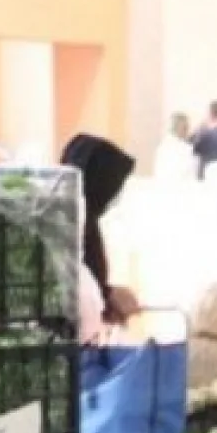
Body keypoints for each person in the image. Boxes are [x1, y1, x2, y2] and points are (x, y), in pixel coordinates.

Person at [59, 134, 137, 344]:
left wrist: (107, 295)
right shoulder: (69, 226)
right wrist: (108, 295)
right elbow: (71, 284)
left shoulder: (85, 221)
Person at [154, 112, 197, 181]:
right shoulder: (169, 147)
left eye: (187, 127)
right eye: (185, 128)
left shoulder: (164, 146)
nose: (188, 131)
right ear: (176, 127)